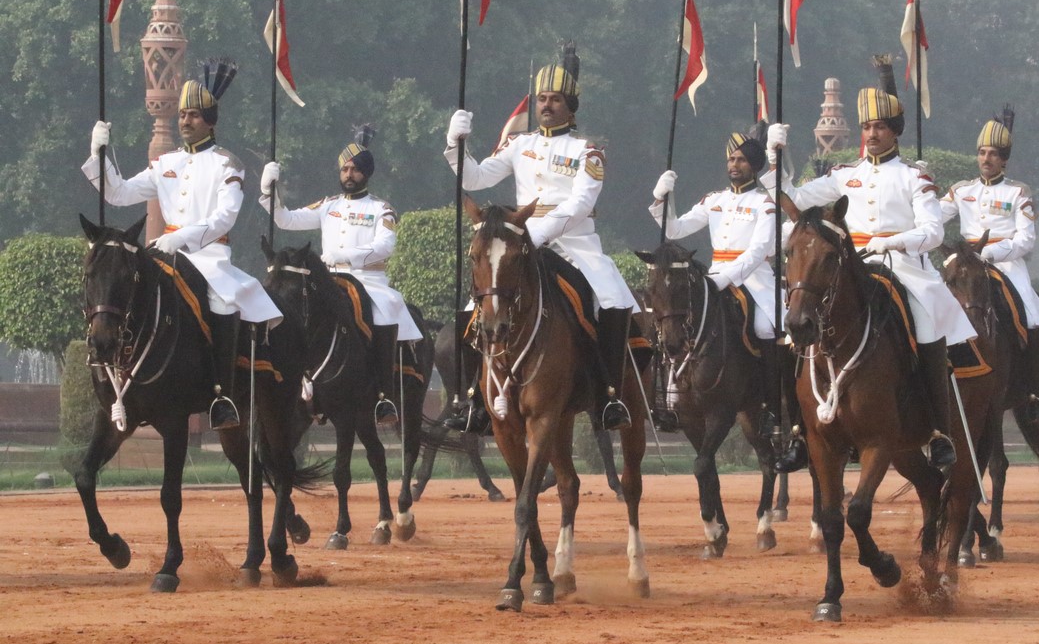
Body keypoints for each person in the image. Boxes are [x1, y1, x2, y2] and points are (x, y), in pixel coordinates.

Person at [765, 56, 977, 471]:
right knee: (796, 331)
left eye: (879, 127)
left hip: (903, 267)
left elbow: (933, 232)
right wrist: (776, 158)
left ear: (894, 132)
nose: (872, 134)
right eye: (867, 127)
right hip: (848, 266)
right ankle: (797, 432)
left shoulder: (916, 178)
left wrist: (889, 241)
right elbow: (792, 200)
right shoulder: (844, 174)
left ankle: (936, 431)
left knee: (927, 323)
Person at [442, 41, 639, 433]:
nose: (546, 105)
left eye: (555, 99)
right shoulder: (520, 144)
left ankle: (608, 395)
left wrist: (535, 231)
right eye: (542, 99)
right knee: (472, 309)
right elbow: (476, 178)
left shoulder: (588, 151)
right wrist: (454, 146)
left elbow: (581, 203)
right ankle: (470, 401)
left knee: (613, 300)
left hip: (574, 243)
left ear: (571, 106)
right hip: (519, 242)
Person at [84, 60, 281, 431]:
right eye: (182, 114)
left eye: (192, 115)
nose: (184, 121)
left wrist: (183, 236)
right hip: (165, 251)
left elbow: (225, 217)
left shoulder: (229, 165)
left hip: (210, 256)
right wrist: (99, 155)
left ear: (210, 121)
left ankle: (222, 395)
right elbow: (119, 193)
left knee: (223, 301)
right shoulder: (166, 163)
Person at [259, 125, 421, 425]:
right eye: (345, 168)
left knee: (387, 310)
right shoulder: (327, 205)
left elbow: (386, 245)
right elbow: (286, 220)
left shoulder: (382, 209)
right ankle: (304, 384)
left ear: (366, 173)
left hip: (368, 281)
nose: (348, 174)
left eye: (355, 169)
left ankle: (384, 396)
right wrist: (270, 192)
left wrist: (347, 256)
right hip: (329, 280)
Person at [649, 129, 797, 442]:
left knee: (768, 327)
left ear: (754, 166)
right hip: (714, 275)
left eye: (741, 159)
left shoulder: (765, 204)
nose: (734, 164)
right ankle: (671, 398)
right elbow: (674, 230)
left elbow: (758, 251)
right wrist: (662, 199)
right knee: (677, 323)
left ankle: (772, 404)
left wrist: (727, 277)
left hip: (754, 280)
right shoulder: (715, 201)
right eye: (731, 158)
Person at [940, 108, 1039, 422]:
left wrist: (990, 254)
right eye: (981, 153)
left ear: (1004, 160)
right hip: (965, 264)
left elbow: (1026, 240)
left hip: (1006, 264)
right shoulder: (962, 190)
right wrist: (919, 192)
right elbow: (932, 219)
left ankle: (1032, 394)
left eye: (992, 154)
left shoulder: (1019, 192)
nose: (986, 158)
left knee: (1032, 316)